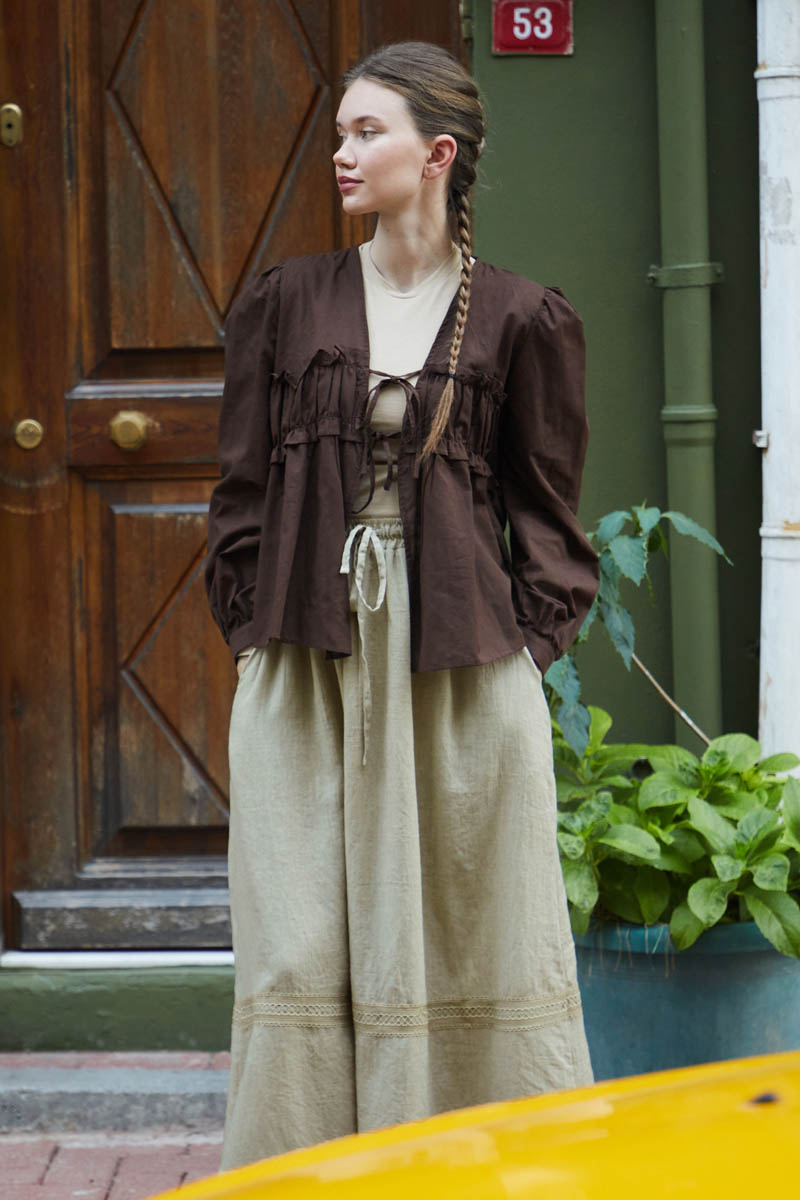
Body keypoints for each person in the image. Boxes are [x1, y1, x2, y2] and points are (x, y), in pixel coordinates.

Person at [205, 41, 599, 1172]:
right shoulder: (287, 302)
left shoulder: (520, 317)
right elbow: (239, 493)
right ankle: (307, 1173)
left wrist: (520, 656)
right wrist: (255, 641)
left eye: (365, 132)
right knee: (296, 940)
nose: (341, 152)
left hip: (459, 668)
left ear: (437, 155)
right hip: (307, 661)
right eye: (341, 132)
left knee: (478, 929)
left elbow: (550, 516)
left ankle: (480, 1172)